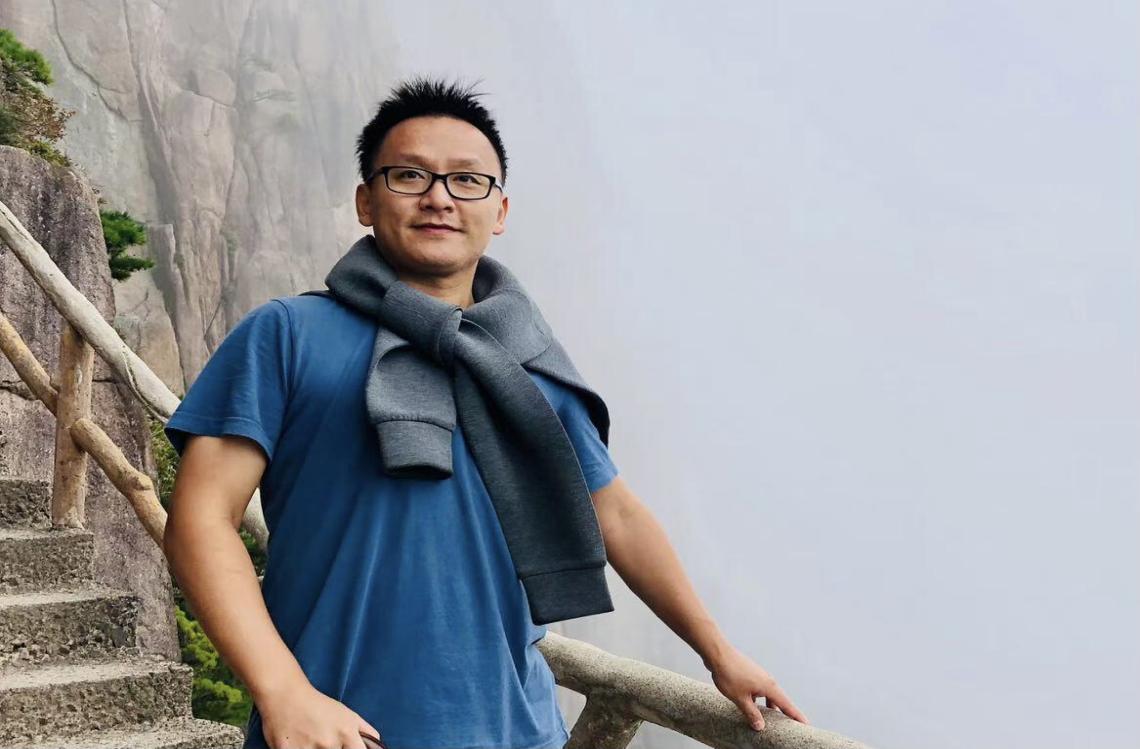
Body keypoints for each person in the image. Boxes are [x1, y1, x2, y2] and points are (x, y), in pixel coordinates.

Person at [162, 75, 808, 749]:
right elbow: (202, 518)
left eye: (467, 180)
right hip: (335, 731)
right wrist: (283, 692)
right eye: (410, 175)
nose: (439, 197)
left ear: (499, 210)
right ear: (366, 200)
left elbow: (615, 513)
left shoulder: (530, 366)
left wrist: (718, 652)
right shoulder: (287, 335)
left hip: (519, 730)